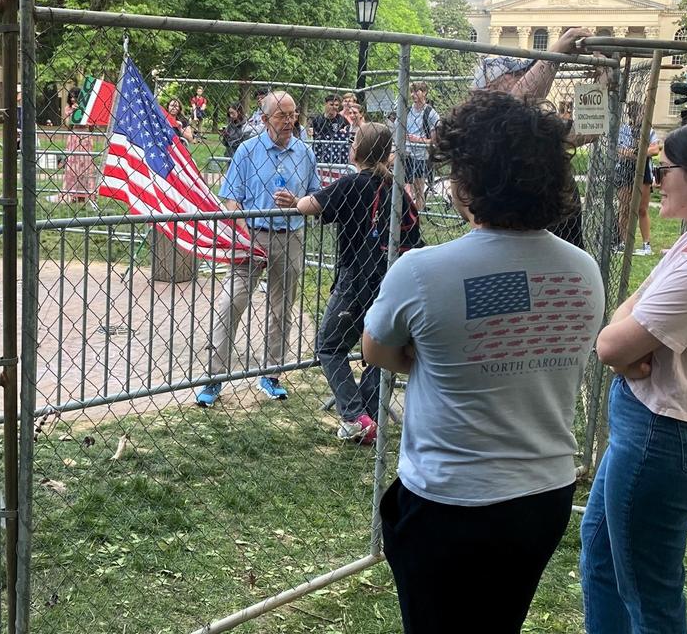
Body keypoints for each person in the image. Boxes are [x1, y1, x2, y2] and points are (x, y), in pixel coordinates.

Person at [362, 90, 605, 633]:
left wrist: (436, 360)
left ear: (468, 180)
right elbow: (530, 343)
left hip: (449, 499)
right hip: (544, 494)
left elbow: (375, 350)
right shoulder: (583, 270)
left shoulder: (423, 271)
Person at [581, 120, 687, 634]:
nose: (656, 179)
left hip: (664, 434)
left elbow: (610, 345)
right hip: (644, 420)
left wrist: (622, 346)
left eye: (665, 168)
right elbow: (629, 313)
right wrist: (625, 345)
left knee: (648, 592)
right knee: (602, 551)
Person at [292, 123, 421, 444]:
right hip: (391, 280)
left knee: (329, 345)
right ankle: (369, 416)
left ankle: (354, 415)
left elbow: (310, 205)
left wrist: (294, 201)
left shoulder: (351, 183)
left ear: (357, 150)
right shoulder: (396, 188)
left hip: (355, 279)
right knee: (383, 348)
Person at [197, 90, 321, 407]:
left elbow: (316, 198)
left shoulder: (305, 153)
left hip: (289, 237)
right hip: (250, 236)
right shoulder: (248, 152)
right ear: (265, 119)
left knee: (282, 309)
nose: (290, 121)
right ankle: (213, 378)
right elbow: (231, 197)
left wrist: (297, 204)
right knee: (232, 302)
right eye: (282, 115)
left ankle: (271, 374)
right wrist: (242, 231)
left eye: (293, 114)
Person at [473, 26, 598, 249]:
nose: (526, 78)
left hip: (561, 230)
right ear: (490, 86)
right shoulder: (484, 126)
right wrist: (556, 51)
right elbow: (514, 103)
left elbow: (590, 131)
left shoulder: (537, 123)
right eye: (516, 75)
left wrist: (599, 82)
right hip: (516, 237)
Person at [614, 106, 660, 256]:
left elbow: (655, 150)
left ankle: (646, 245)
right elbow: (620, 151)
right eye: (641, 114)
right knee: (625, 208)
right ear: (633, 115)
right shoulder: (623, 130)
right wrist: (640, 153)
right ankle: (623, 243)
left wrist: (635, 153)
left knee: (642, 209)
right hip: (625, 171)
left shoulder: (648, 131)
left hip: (643, 171)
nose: (644, 116)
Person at [403, 82, 438, 212]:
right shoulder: (406, 110)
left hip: (421, 155)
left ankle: (417, 216)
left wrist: (417, 139)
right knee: (404, 186)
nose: (413, 94)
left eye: (417, 91)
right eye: (412, 91)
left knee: (419, 188)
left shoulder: (430, 112)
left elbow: (434, 140)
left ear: (424, 92)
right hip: (406, 153)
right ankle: (405, 214)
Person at [59, 87, 95, 203]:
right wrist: (74, 113)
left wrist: (83, 114)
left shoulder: (87, 109)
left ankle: (85, 194)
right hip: (74, 137)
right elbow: (68, 126)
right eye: (71, 97)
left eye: (75, 97)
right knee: (72, 166)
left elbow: (91, 127)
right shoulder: (68, 108)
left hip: (85, 138)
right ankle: (71, 193)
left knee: (86, 166)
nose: (73, 99)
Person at [307, 93, 351, 164]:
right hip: (320, 154)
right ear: (325, 104)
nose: (334, 107)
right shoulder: (317, 120)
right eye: (331, 104)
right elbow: (311, 134)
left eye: (336, 105)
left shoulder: (342, 120)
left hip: (337, 156)